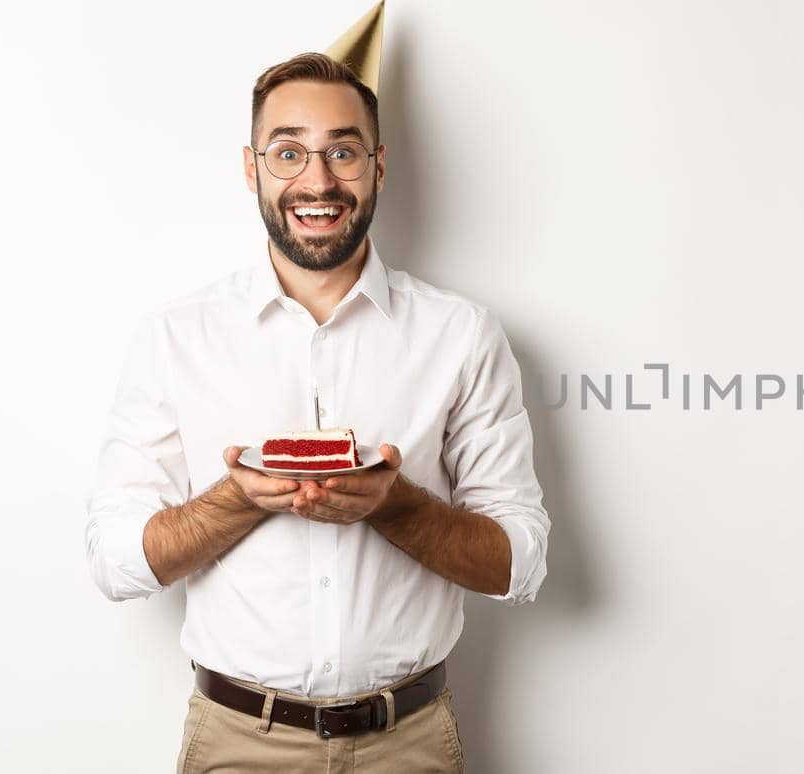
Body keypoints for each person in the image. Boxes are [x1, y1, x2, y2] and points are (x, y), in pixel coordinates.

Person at [83, 47, 550, 773]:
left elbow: (520, 563)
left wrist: (393, 507)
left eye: (343, 152)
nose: (318, 180)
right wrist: (238, 501)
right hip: (238, 744)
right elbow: (115, 562)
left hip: (412, 744)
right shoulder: (178, 336)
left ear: (379, 166)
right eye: (289, 151)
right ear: (251, 168)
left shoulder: (462, 335)